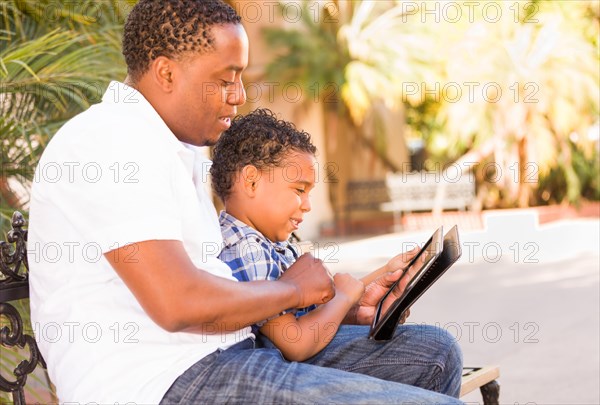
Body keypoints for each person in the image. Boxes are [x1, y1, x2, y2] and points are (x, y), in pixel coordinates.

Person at [27, 0, 464, 403]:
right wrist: (292, 290)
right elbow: (178, 303)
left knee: (433, 354)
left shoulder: (173, 149)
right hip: (161, 383)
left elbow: (225, 291)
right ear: (166, 73)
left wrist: (348, 304)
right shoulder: (109, 141)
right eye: (224, 78)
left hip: (229, 352)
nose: (237, 94)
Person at [212, 108, 366, 361]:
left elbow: (323, 307)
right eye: (298, 190)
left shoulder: (268, 243)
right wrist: (347, 296)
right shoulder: (246, 248)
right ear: (251, 182)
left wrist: (374, 283)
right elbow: (297, 343)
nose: (307, 205)